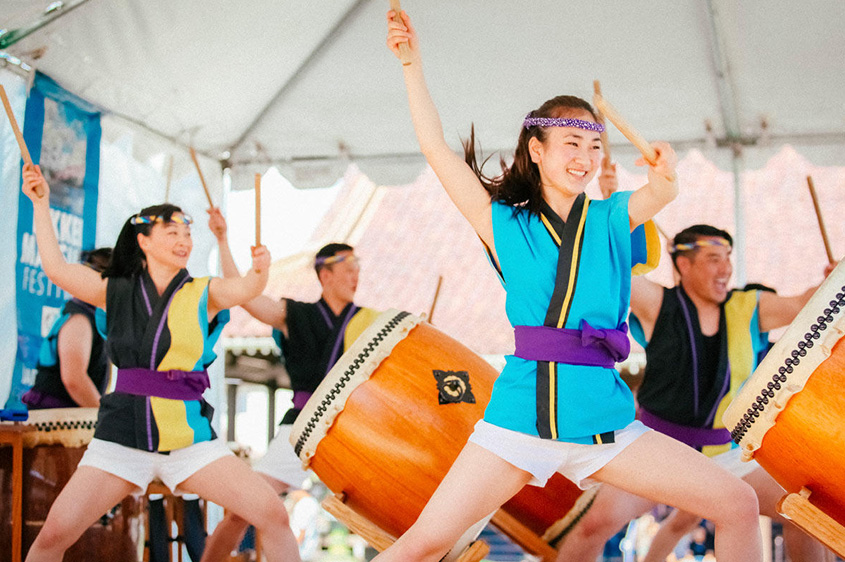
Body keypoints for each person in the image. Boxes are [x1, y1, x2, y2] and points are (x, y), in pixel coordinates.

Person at [381, 9, 762, 562]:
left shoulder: (612, 218)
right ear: (537, 150)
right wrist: (412, 68)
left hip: (601, 420)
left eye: (594, 148)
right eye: (571, 145)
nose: (585, 160)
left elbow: (660, 195)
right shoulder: (503, 224)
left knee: (737, 502)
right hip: (517, 417)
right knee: (426, 542)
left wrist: (665, 175)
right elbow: (436, 149)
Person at [19, 163, 301, 562]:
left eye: (187, 233)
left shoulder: (204, 293)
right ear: (144, 241)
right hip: (121, 436)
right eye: (172, 233)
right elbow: (56, 268)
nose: (184, 240)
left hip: (188, 437)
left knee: (272, 514)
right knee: (53, 535)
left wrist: (260, 270)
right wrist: (41, 205)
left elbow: (245, 289)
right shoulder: (112, 291)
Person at [555, 171, 834, 561]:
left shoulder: (749, 306)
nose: (725, 270)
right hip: (656, 449)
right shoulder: (658, 305)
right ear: (683, 265)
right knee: (594, 526)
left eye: (727, 260)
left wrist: (834, 280)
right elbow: (611, 265)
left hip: (726, 454)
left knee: (803, 513)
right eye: (713, 260)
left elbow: (804, 303)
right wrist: (609, 205)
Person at [200, 208, 379, 562]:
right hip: (304, 424)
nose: (355, 277)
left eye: (357, 270)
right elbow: (247, 298)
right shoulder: (295, 314)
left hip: (354, 428)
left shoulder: (370, 323)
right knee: (244, 510)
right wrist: (222, 240)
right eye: (348, 269)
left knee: (392, 510)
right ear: (325, 274)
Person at [22, 247, 112, 409]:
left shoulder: (92, 316)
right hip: (55, 422)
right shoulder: (80, 319)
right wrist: (105, 419)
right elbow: (74, 380)